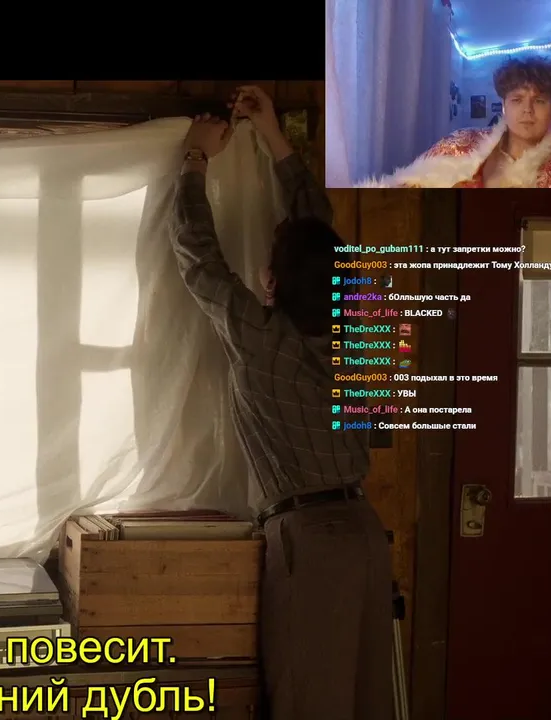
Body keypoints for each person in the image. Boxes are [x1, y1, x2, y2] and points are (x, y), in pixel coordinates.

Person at [172, 86, 393, 720]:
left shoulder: (266, 340)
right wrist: (273, 137)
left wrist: (194, 157)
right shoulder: (356, 325)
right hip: (364, 531)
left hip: (312, 540)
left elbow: (200, 259)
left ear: (270, 281)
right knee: (367, 700)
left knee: (308, 699)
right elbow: (318, 235)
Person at [361, 56, 551, 187]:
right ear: (504, 106)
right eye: (517, 100)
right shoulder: (461, 142)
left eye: (539, 101)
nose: (527, 110)